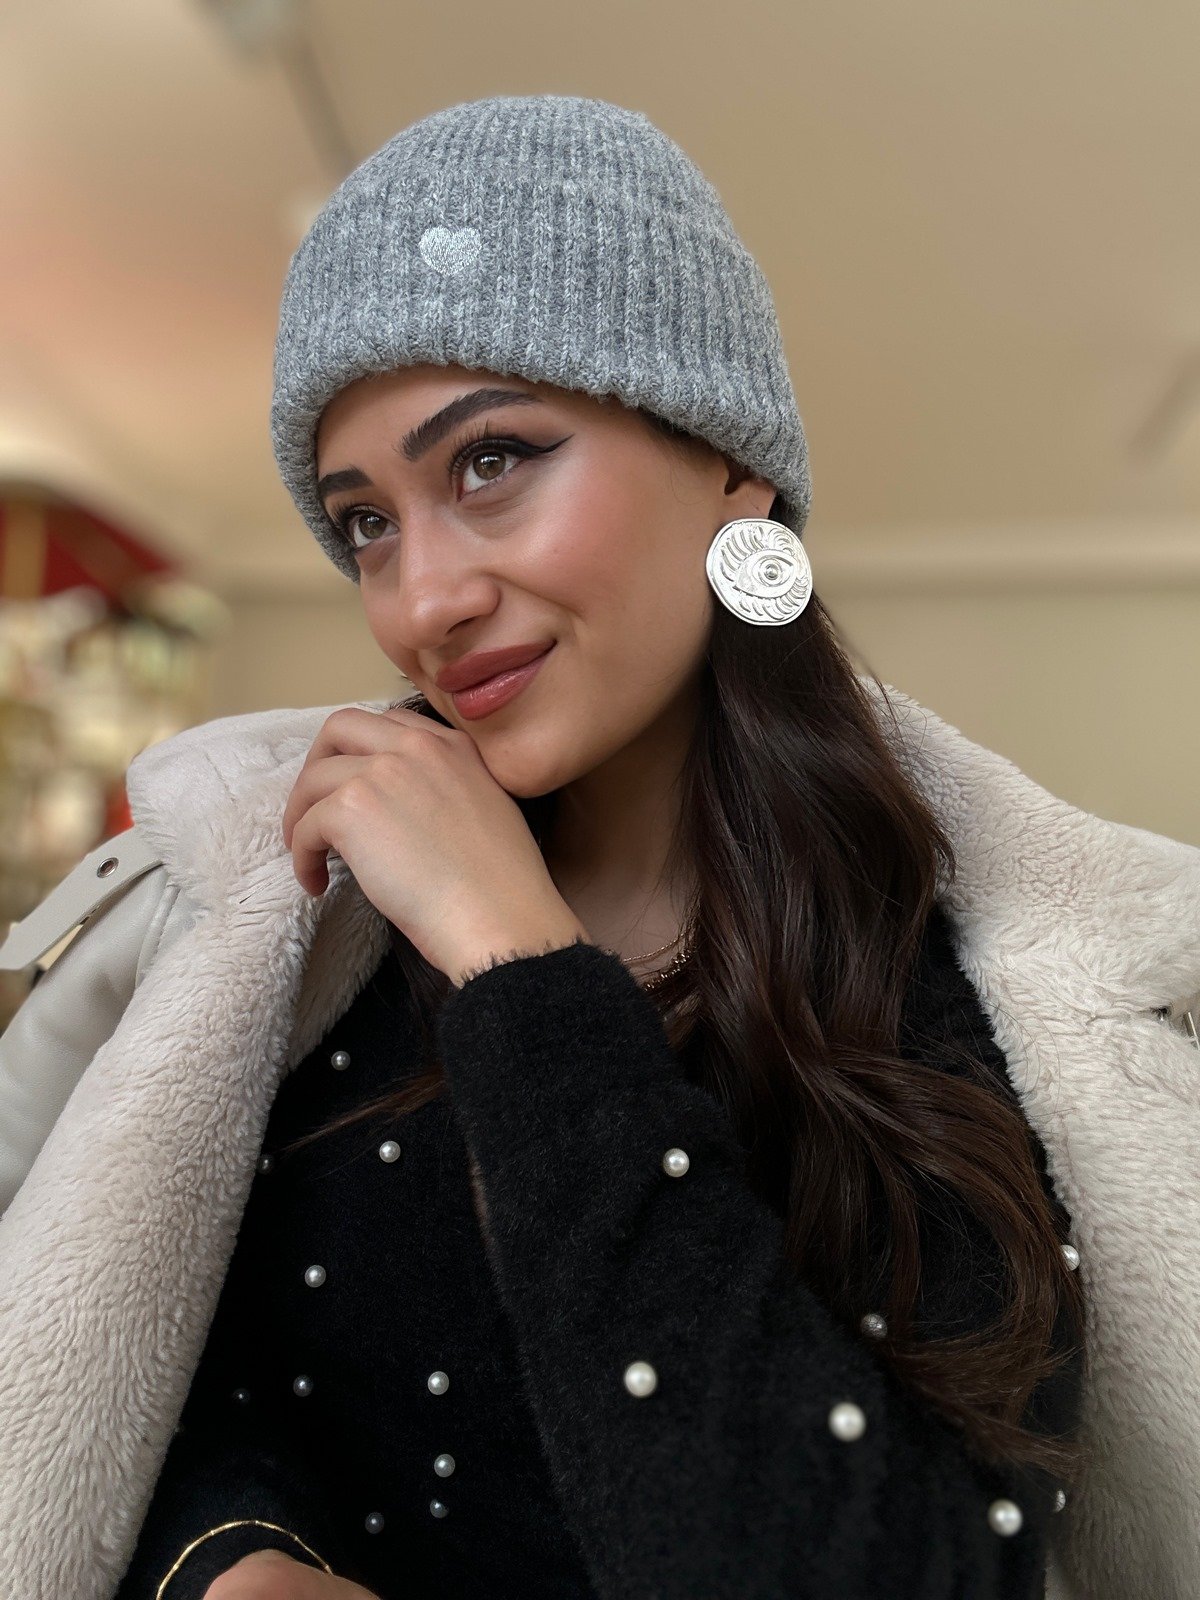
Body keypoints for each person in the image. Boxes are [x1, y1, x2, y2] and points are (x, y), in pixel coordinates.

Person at [0, 94, 1197, 1600]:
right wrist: (233, 1565)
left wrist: (518, 967)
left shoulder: (971, 999)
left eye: (491, 460)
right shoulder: (312, 929)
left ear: (730, 463)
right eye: (366, 523)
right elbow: (154, 1382)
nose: (420, 601)